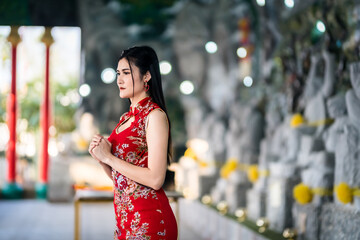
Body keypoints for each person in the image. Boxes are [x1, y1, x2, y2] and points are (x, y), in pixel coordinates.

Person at [88, 46, 178, 239]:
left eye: (126, 73)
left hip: (150, 222)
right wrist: (101, 157)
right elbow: (122, 181)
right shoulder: (124, 119)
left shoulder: (154, 116)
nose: (119, 80)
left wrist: (109, 158)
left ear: (146, 76)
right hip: (125, 221)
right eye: (118, 73)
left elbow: (155, 179)